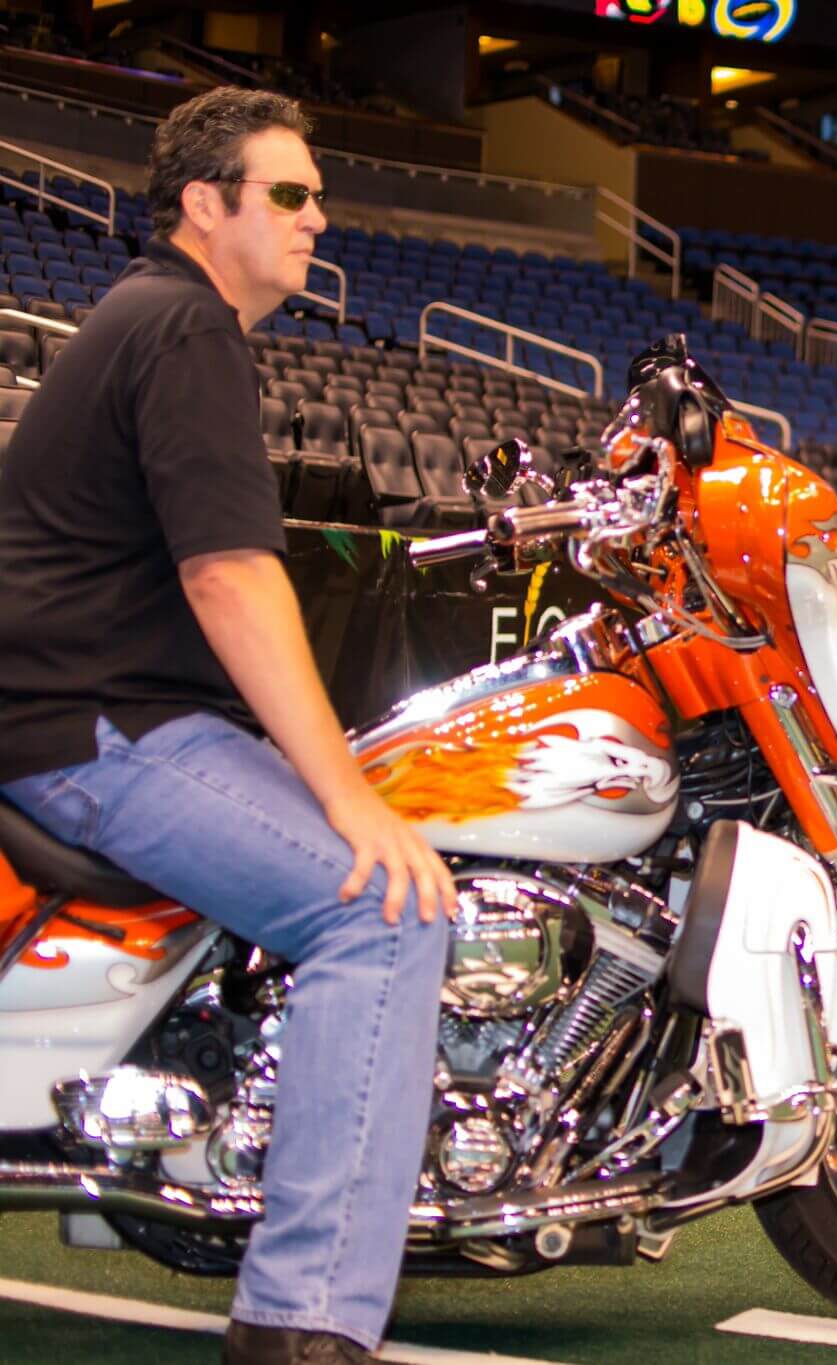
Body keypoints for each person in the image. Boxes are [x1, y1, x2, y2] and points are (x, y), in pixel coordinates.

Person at [0, 88, 456, 1365]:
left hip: (97, 712)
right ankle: (303, 1322)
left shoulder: (161, 320)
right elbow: (230, 578)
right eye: (291, 194)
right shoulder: (184, 326)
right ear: (205, 204)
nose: (319, 218)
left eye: (319, 196)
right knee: (382, 911)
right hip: (94, 728)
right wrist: (348, 801)